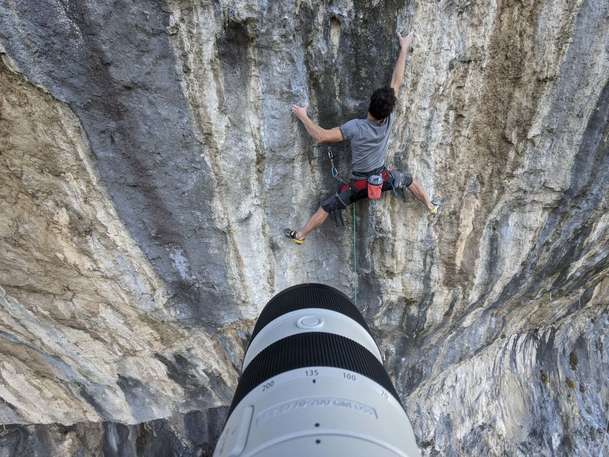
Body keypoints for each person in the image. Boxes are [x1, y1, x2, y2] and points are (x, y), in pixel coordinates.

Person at [285, 32, 437, 245]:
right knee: (408, 180)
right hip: (381, 179)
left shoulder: (355, 127)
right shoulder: (388, 119)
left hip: (358, 186)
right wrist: (404, 48)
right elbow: (397, 81)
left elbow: (320, 136)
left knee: (328, 205)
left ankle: (300, 235)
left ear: (370, 104)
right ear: (387, 110)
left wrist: (303, 116)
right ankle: (430, 205)